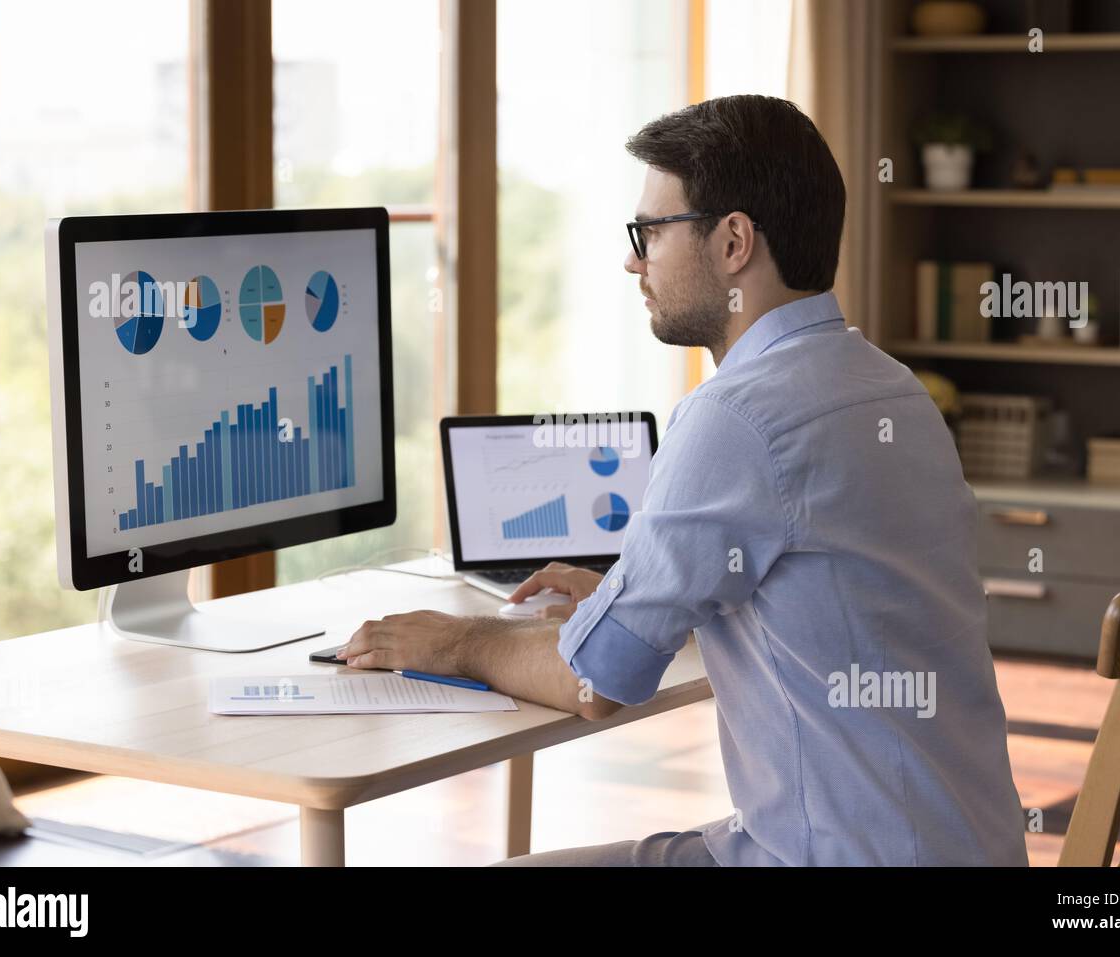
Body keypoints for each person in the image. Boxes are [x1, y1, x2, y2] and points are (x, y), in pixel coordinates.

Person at [338, 94, 1029, 867]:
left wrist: (456, 638)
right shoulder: (893, 388)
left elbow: (596, 681)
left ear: (733, 240)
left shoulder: (737, 415)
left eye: (650, 233)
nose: (634, 260)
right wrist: (627, 597)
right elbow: (830, 594)